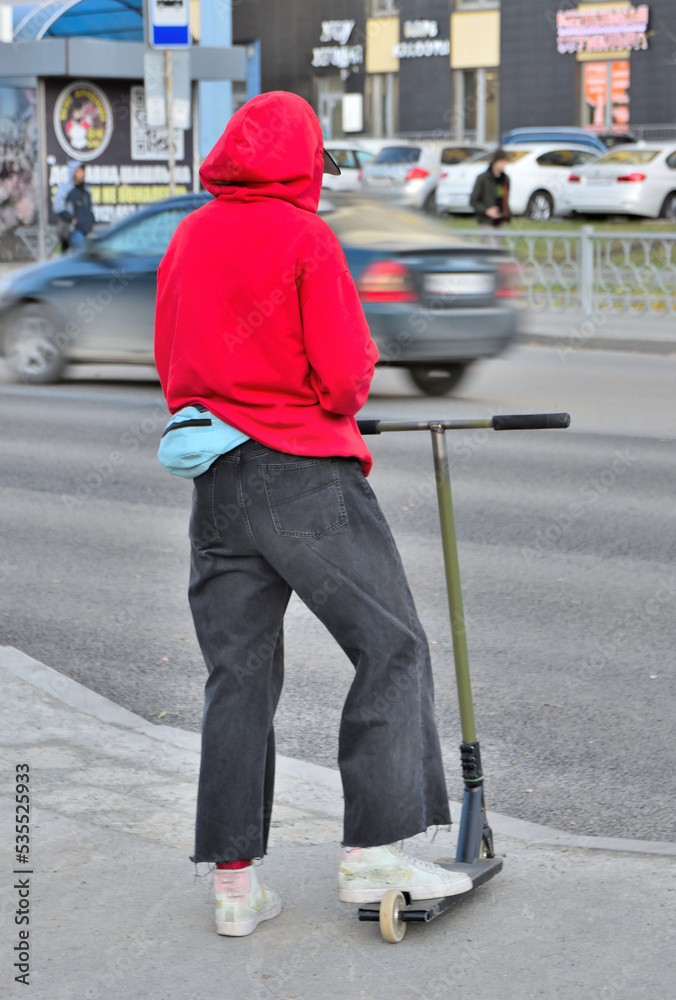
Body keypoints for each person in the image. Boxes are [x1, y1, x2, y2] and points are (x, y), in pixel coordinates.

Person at [154, 91, 471, 938]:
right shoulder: (304, 238)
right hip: (302, 477)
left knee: (240, 675)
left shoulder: (188, 235)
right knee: (392, 645)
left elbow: (174, 357)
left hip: (215, 481)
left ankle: (234, 886)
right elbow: (342, 379)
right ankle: (374, 853)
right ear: (301, 162)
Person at [52, 160, 94, 252]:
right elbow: (58, 207)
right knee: (85, 255)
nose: (81, 174)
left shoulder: (86, 189)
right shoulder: (66, 189)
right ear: (73, 172)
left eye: (82, 171)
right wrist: (71, 219)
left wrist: (91, 221)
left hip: (86, 230)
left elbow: (89, 208)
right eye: (78, 171)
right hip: (73, 231)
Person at [470, 149, 511, 229]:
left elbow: (505, 199)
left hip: (501, 221)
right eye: (502, 162)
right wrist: (486, 211)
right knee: (488, 241)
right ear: (496, 161)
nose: (504, 165)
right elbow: (473, 200)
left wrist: (508, 214)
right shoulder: (482, 178)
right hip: (487, 221)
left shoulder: (505, 179)